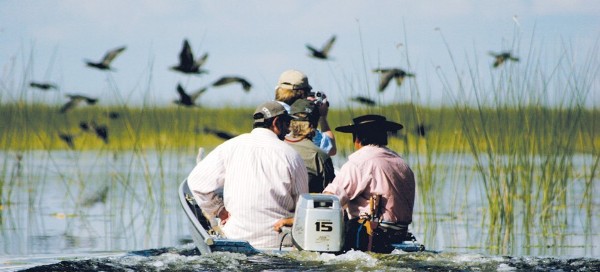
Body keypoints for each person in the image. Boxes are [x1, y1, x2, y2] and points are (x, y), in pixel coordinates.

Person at [187, 101, 308, 249]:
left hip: (235, 241)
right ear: (276, 123)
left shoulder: (230, 146)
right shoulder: (292, 155)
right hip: (277, 244)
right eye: (287, 123)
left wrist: (220, 210)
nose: (288, 131)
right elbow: (303, 209)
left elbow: (195, 182)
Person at [323, 114, 416, 253]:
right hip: (400, 233)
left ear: (357, 139)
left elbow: (330, 200)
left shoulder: (359, 163)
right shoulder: (402, 164)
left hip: (369, 236)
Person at [274, 69, 337, 156]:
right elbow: (330, 149)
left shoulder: (267, 110)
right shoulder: (299, 118)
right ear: (303, 94)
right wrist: (322, 117)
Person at [285, 99, 335, 193]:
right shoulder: (320, 156)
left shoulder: (277, 147)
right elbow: (331, 192)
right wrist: (323, 118)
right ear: (314, 124)